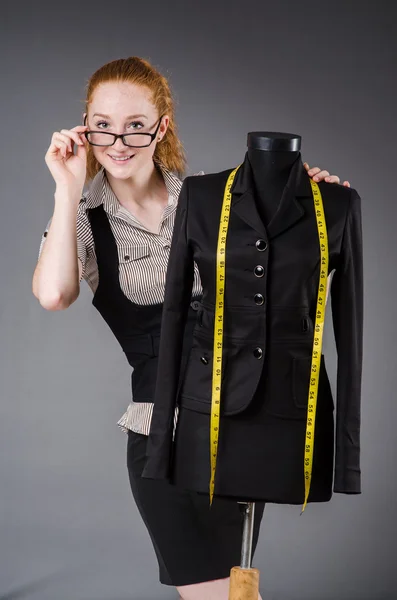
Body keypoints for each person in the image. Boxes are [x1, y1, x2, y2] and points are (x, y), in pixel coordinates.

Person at [32, 56, 350, 600]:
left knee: (236, 593)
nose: (119, 139)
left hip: (242, 428)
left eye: (136, 124)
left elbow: (284, 271)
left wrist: (315, 205)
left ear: (162, 125)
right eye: (102, 123)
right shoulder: (82, 216)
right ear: (85, 125)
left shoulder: (217, 199)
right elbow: (54, 293)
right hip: (165, 435)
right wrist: (66, 187)